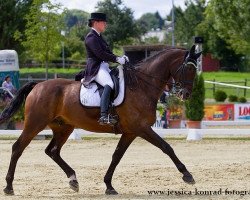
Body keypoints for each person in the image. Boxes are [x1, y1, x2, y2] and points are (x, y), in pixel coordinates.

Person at [83, 12, 128, 125]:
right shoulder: (91, 37)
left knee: (117, 80)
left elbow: (107, 52)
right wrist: (117, 59)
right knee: (109, 84)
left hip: (104, 66)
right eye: (104, 22)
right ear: (96, 22)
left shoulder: (99, 37)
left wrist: (120, 57)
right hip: (96, 68)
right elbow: (100, 54)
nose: (105, 24)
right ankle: (103, 115)